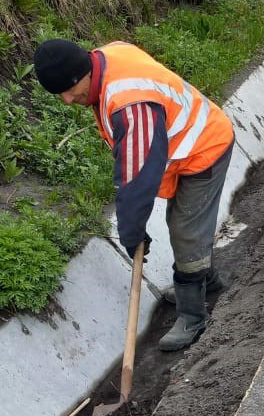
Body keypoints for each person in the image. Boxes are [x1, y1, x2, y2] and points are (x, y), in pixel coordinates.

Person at [33, 39, 235, 351]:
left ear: (84, 72)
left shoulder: (130, 103)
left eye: (70, 89)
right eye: (59, 93)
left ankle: (193, 315)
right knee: (183, 224)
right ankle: (205, 280)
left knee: (186, 230)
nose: (67, 100)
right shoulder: (109, 55)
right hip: (186, 142)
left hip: (205, 147)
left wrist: (131, 232)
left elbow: (138, 175)